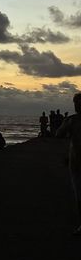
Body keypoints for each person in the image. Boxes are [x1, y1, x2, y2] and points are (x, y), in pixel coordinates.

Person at [56, 93, 81, 235]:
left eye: (79, 103)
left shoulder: (72, 120)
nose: (77, 106)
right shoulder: (72, 120)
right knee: (78, 194)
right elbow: (59, 134)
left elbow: (59, 134)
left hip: (76, 161)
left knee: (79, 195)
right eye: (76, 103)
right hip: (75, 161)